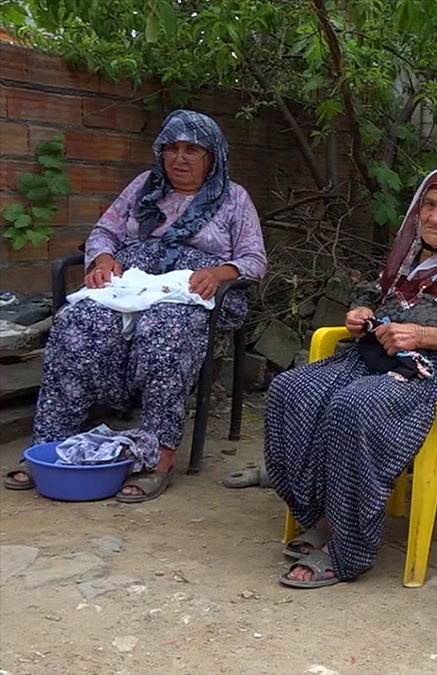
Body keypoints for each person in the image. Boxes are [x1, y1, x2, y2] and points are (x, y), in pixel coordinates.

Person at [264, 166, 437, 589]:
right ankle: (322, 514)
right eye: (429, 204)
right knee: (290, 391)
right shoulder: (411, 255)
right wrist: (361, 311)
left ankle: (347, 546)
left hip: (435, 372)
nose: (435, 217)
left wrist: (422, 335)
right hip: (378, 358)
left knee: (354, 406)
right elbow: (375, 290)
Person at [4, 109, 266, 502]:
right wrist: (102, 259)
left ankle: (157, 457)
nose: (179, 158)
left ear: (212, 156)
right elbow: (104, 232)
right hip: (131, 285)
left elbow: (254, 260)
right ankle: (51, 446)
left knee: (165, 331)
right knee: (77, 322)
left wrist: (219, 272)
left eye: (192, 150)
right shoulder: (144, 185)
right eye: (171, 148)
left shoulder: (234, 198)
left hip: (194, 290)